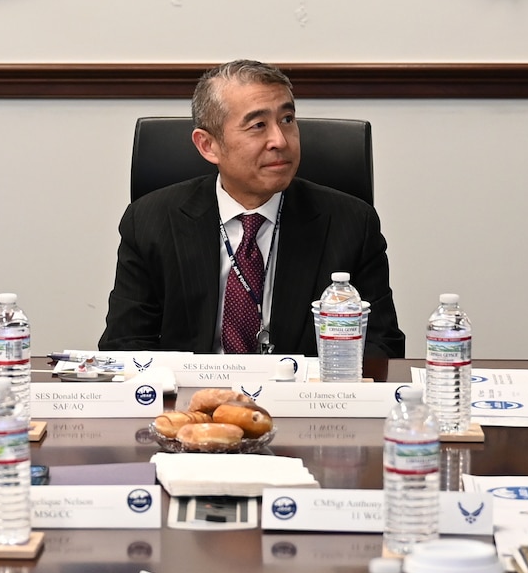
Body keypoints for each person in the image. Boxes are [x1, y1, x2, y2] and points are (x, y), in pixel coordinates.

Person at [101, 60, 404, 362]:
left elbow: (381, 347)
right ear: (208, 146)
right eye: (258, 125)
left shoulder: (351, 224)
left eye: (287, 119)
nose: (280, 140)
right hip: (195, 403)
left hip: (302, 401)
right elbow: (125, 346)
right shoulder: (150, 222)